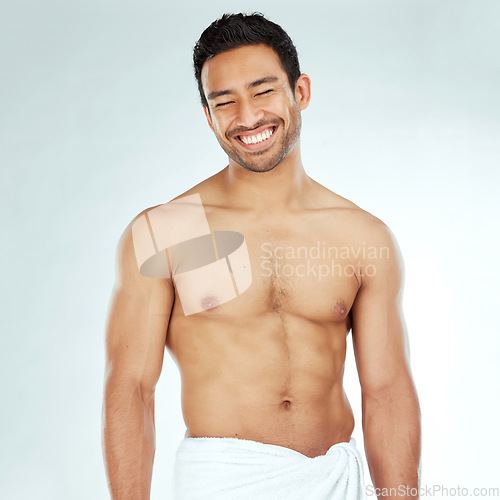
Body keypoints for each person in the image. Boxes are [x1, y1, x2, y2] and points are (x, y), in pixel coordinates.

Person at [102, 12, 421, 500]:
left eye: (264, 91)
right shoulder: (167, 231)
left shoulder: (361, 235)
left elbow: (388, 393)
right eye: (224, 102)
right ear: (208, 116)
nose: (248, 117)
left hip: (334, 482)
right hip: (221, 482)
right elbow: (130, 388)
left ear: (301, 92)